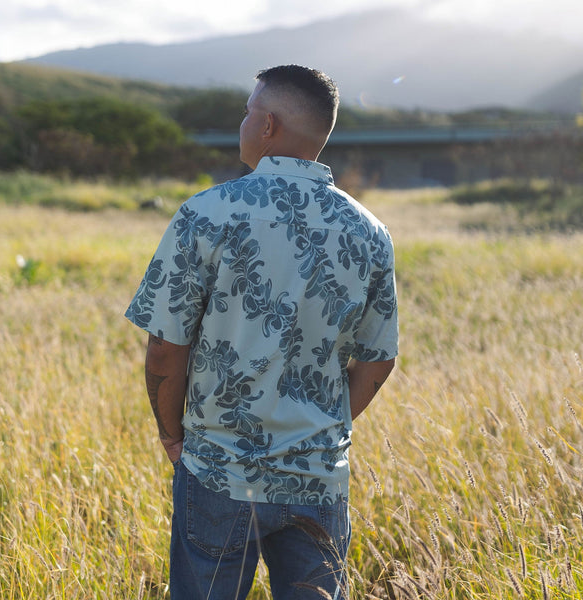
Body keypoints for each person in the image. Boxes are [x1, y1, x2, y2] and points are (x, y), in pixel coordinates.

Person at [125, 64, 398, 600]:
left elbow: (164, 349)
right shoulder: (369, 231)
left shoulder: (205, 214)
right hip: (318, 476)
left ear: (268, 125)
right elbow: (377, 360)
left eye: (248, 112)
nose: (243, 123)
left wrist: (172, 436)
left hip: (218, 470)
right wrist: (316, 431)